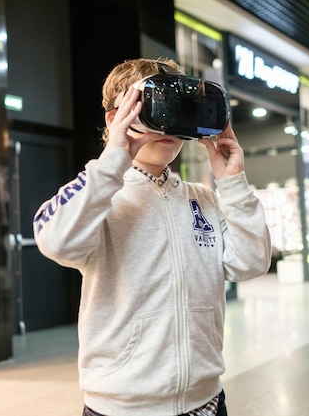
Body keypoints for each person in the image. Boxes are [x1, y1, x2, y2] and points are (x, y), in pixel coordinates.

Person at [32, 58, 272, 416]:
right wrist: (114, 159)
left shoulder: (202, 199)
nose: (169, 123)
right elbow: (56, 242)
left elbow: (250, 264)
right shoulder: (96, 197)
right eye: (157, 107)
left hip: (205, 401)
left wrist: (232, 182)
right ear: (116, 118)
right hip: (121, 406)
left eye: (180, 110)